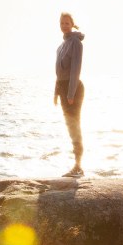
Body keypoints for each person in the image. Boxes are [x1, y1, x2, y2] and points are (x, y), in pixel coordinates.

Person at [54, 12, 85, 177]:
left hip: (73, 89)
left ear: (72, 24)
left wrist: (70, 93)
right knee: (70, 127)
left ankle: (78, 167)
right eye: (62, 23)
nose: (64, 25)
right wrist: (56, 93)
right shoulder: (61, 46)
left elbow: (75, 70)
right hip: (63, 89)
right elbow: (58, 73)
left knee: (74, 126)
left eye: (67, 23)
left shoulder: (76, 43)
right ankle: (76, 165)